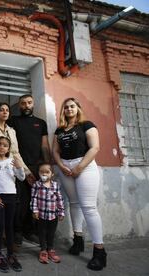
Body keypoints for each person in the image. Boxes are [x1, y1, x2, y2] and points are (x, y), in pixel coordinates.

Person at [52, 97, 107, 271]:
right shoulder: (59, 130)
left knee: (89, 208)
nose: (69, 109)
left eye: (72, 106)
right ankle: (78, 240)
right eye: (66, 107)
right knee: (73, 204)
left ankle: (99, 252)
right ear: (63, 111)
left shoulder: (86, 125)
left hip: (85, 166)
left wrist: (79, 167)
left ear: (78, 108)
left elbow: (95, 147)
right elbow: (55, 150)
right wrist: (61, 166)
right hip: (65, 168)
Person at [9, 94, 51, 245]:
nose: (26, 106)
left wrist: (48, 166)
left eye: (29, 103)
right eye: (23, 103)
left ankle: (30, 231)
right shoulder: (13, 121)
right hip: (20, 167)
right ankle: (18, 232)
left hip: (39, 167)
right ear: (19, 106)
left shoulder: (41, 123)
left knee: (37, 201)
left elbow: (45, 145)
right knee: (21, 201)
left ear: (33, 104)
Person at [0, 136, 25, 272]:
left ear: (8, 148)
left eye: (5, 145)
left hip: (11, 196)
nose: (2, 147)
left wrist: (19, 168)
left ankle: (10, 254)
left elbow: (21, 177)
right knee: (0, 225)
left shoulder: (11, 161)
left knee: (9, 225)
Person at [30, 163, 65, 264]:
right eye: (42, 172)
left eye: (47, 172)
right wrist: (35, 210)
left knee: (51, 233)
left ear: (52, 174)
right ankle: (43, 250)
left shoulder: (55, 185)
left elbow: (59, 199)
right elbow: (34, 198)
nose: (44, 174)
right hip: (41, 215)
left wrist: (61, 212)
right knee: (42, 233)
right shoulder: (37, 185)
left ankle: (50, 249)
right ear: (38, 173)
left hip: (53, 215)